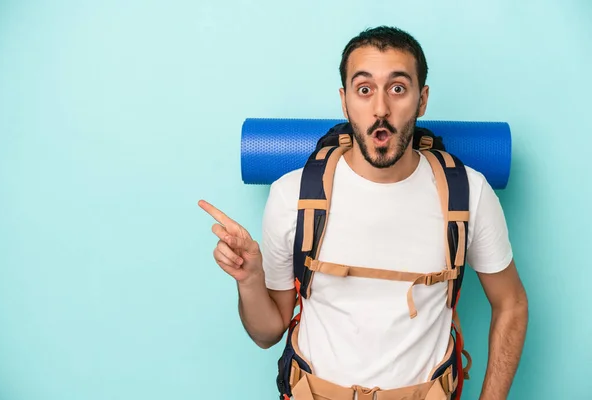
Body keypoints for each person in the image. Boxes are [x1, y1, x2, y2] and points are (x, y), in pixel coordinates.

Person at [199, 26, 528, 400]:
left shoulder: (469, 193)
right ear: (344, 101)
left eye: (398, 88)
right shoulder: (292, 195)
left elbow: (512, 303)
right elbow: (267, 333)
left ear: (422, 101)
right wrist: (250, 279)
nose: (381, 109)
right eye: (364, 89)